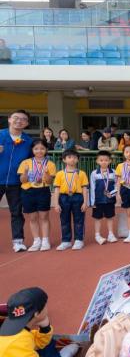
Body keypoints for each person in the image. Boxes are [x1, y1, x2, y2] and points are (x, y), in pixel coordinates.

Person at [0, 287, 78, 357]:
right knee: (48, 347)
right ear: (37, 314)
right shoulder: (19, 345)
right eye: (45, 305)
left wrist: (45, 328)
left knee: (47, 343)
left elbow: (36, 342)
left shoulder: (15, 332)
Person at [0, 110, 33, 252]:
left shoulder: (28, 141)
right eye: (16, 118)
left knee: (17, 212)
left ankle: (18, 241)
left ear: (27, 123)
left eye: (23, 119)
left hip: (16, 182)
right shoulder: (1, 135)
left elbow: (32, 161)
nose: (19, 121)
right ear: (9, 119)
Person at [17, 139, 56, 252]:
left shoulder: (50, 164)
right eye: (36, 149)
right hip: (28, 191)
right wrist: (25, 172)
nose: (39, 151)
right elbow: (22, 180)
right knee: (32, 218)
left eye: (42, 148)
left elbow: (49, 182)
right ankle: (36, 241)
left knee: (44, 217)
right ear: (32, 150)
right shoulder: (25, 163)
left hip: (43, 191)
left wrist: (46, 173)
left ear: (46, 150)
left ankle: (45, 240)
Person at [53, 149, 88, 251]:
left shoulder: (81, 173)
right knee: (64, 220)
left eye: (75, 157)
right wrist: (56, 203)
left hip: (78, 197)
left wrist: (85, 202)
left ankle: (79, 240)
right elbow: (57, 189)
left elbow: (85, 188)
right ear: (64, 159)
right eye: (69, 157)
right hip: (64, 197)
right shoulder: (60, 174)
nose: (72, 159)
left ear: (78, 159)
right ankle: (66, 241)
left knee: (79, 219)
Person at [89, 150, 118, 245]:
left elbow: (117, 185)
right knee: (98, 218)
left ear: (110, 161)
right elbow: (92, 188)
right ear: (97, 161)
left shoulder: (114, 172)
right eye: (101, 160)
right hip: (98, 201)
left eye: (106, 160)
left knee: (110, 217)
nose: (104, 162)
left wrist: (112, 194)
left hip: (110, 200)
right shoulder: (94, 173)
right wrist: (92, 202)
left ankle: (111, 234)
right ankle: (97, 235)